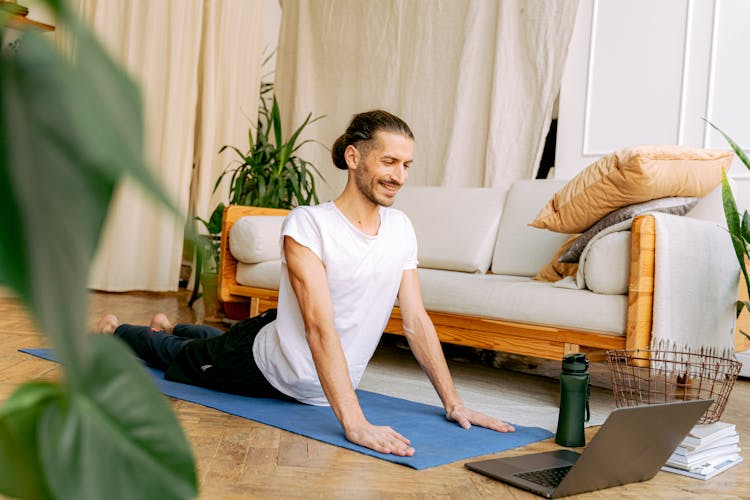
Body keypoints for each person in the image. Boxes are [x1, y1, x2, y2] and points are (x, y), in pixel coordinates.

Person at [99, 110, 514, 457]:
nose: (400, 175)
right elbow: (318, 325)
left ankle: (173, 325)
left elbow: (416, 321)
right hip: (268, 364)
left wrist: (453, 402)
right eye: (389, 162)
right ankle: (118, 330)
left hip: (279, 335)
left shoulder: (401, 228)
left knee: (202, 340)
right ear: (354, 157)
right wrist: (354, 423)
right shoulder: (309, 224)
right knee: (179, 359)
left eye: (406, 165)